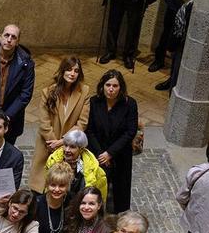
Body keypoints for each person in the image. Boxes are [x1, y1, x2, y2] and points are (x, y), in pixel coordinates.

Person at [29, 56, 90, 194]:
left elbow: (82, 122)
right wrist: (53, 142)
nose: (72, 73)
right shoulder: (48, 92)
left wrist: (62, 142)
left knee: (66, 187)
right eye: (69, 69)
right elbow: (44, 122)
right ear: (62, 71)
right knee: (43, 187)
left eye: (76, 70)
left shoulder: (84, 92)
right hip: (48, 144)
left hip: (70, 147)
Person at [86, 70, 138, 213]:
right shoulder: (94, 102)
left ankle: (117, 214)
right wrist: (101, 154)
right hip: (98, 152)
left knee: (120, 187)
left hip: (120, 153)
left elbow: (130, 131)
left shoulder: (130, 104)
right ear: (102, 86)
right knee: (96, 185)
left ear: (120, 88)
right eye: (108, 85)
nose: (111, 89)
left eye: (115, 86)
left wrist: (110, 153)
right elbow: (89, 130)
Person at [45, 130, 108, 201]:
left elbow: (100, 199)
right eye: (65, 145)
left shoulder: (94, 169)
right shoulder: (53, 162)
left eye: (72, 147)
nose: (67, 150)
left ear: (81, 149)